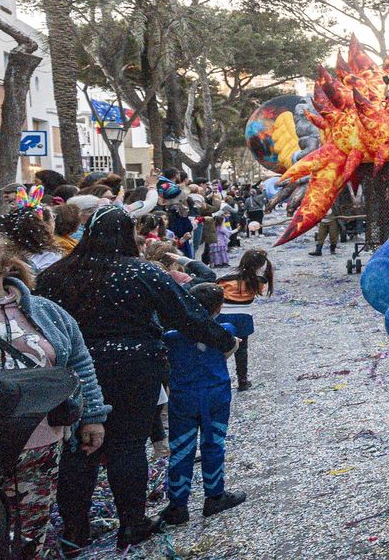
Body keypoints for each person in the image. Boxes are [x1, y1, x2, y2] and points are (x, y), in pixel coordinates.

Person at [38, 207, 238, 552]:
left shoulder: (56, 275)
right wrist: (224, 341)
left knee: (77, 449)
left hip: (72, 370)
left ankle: (74, 530)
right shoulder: (142, 272)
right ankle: (132, 522)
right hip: (133, 366)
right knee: (127, 444)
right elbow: (187, 314)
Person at [0, 235, 108, 559]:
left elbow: (78, 363)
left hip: (40, 443)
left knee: (32, 531)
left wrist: (93, 416)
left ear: (5, 265)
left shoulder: (45, 312)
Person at [159, 283, 249, 526]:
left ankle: (178, 505)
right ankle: (214, 495)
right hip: (215, 393)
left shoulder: (171, 337)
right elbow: (231, 347)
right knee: (214, 443)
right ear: (219, 308)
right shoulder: (226, 329)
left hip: (183, 395)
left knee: (181, 448)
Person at [217, 249, 274, 392]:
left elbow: (216, 292)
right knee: (241, 349)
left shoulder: (226, 279)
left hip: (223, 315)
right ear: (260, 266)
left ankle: (218, 377)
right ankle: (242, 379)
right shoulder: (259, 282)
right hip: (244, 317)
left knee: (219, 348)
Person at [0, 205, 66, 274]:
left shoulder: (3, 252)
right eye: (53, 218)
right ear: (45, 225)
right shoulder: (50, 257)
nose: (54, 223)